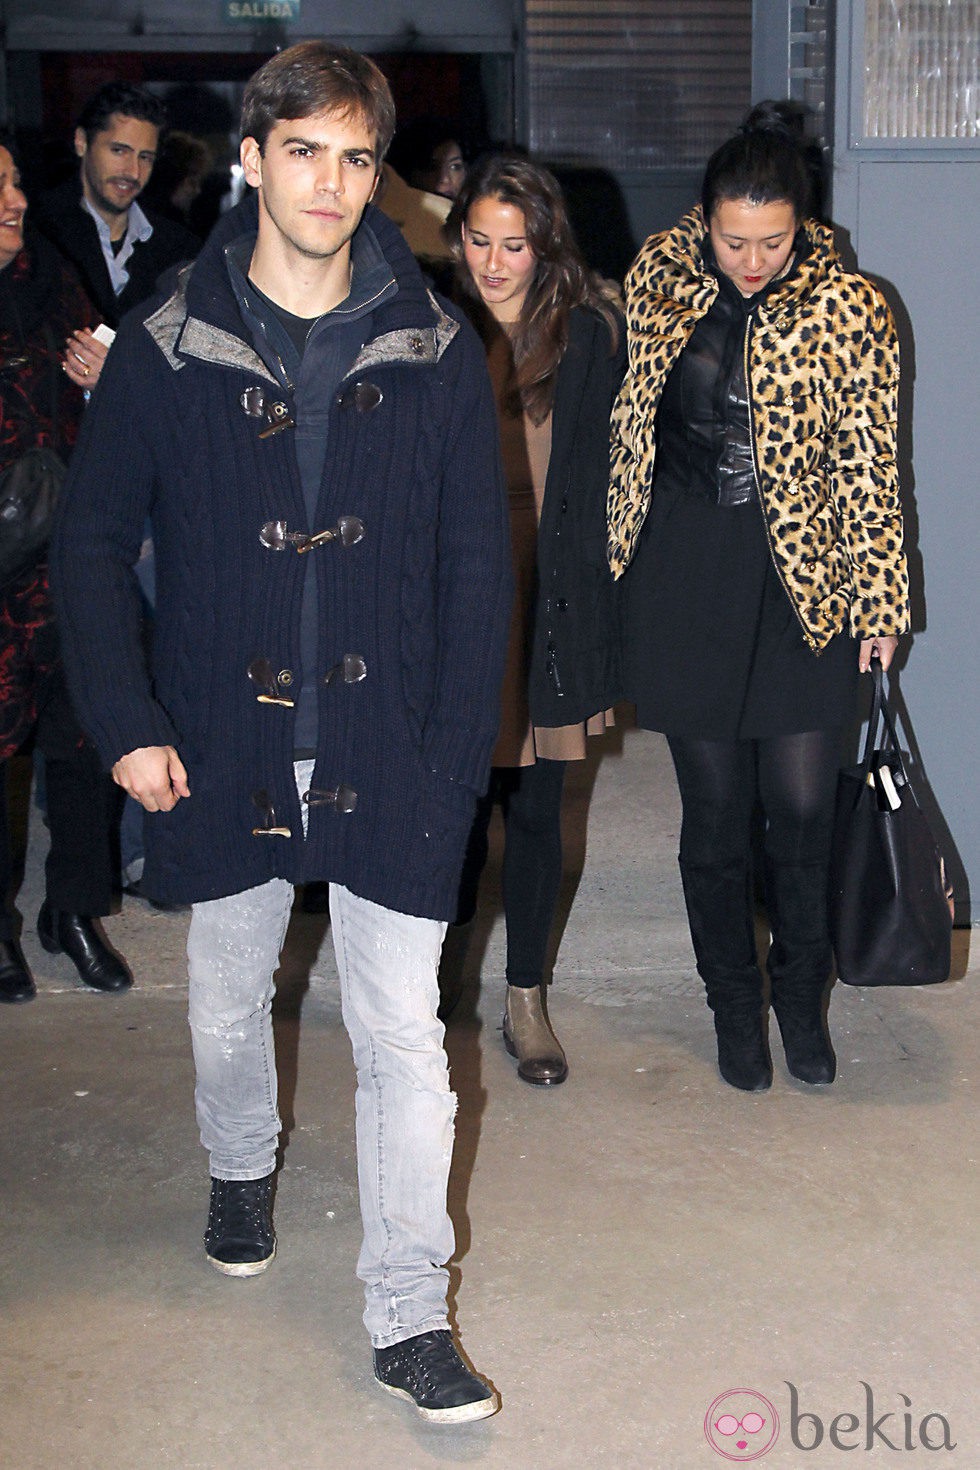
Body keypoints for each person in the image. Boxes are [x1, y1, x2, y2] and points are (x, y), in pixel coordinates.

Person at [52, 42, 511, 1423]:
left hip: (391, 741)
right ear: (250, 160)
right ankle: (240, 1160)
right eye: (303, 149)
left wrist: (452, 764)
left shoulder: (434, 345)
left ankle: (408, 1307)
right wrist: (125, 723)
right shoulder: (164, 343)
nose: (332, 180)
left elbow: (480, 571)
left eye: (357, 155)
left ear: (381, 176)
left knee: (401, 1033)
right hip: (214, 738)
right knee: (223, 999)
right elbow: (89, 543)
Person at [607, 101, 909, 1091]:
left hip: (802, 585)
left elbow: (871, 468)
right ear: (701, 221)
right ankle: (732, 1008)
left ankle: (797, 995)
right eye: (730, 240)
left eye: (769, 241)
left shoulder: (851, 308)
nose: (749, 260)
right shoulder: (656, 274)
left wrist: (878, 604)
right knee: (713, 818)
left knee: (801, 813)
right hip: (686, 572)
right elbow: (625, 423)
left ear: (801, 223)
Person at [445, 156, 626, 1085]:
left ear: (546, 244)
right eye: (479, 240)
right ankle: (437, 990)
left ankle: (525, 1001)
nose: (496, 261)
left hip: (555, 600)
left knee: (540, 809)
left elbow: (614, 481)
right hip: (456, 602)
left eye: (516, 244)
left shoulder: (589, 333)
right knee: (455, 809)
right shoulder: (432, 325)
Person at [0, 134, 131, 1002]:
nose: (14, 200)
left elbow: (114, 410)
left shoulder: (51, 278)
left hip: (68, 555)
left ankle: (73, 909)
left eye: (13, 182)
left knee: (86, 740)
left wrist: (105, 378)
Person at [35, 82, 198, 330]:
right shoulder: (38, 231)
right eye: (119, 151)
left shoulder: (179, 248)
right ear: (82, 142)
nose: (132, 172)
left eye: (145, 157)